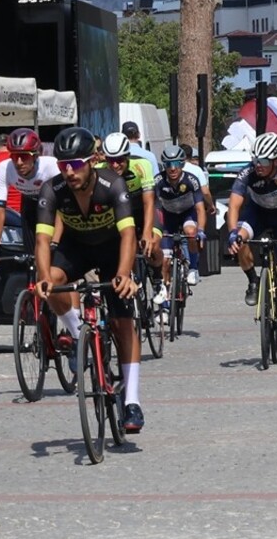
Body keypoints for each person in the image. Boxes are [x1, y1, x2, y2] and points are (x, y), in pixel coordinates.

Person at [34, 127, 145, 432]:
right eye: (62, 165)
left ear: (94, 161)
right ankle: (77, 332)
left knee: (123, 320)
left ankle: (132, 400)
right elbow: (43, 241)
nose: (69, 172)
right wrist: (43, 278)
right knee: (53, 282)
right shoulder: (52, 190)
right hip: (77, 248)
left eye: (76, 164)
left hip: (112, 250)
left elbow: (128, 235)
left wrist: (124, 274)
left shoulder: (113, 184)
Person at [225, 133, 277, 350]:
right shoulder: (248, 173)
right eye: (256, 159)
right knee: (239, 239)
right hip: (257, 214)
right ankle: (252, 280)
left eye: (264, 161)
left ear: (276, 161)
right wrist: (233, 232)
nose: (258, 165)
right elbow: (233, 206)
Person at [0, 128, 60, 269]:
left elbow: (64, 208)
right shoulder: (4, 168)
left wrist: (54, 242)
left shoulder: (51, 166)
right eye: (14, 156)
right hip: (29, 205)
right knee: (32, 261)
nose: (18, 162)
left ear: (35, 156)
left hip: (54, 207)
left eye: (24, 157)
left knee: (50, 256)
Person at [153, 143, 207, 296]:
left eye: (176, 164)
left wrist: (201, 231)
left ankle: (193, 268)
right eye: (168, 164)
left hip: (187, 213)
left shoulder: (191, 180)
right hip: (168, 216)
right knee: (164, 259)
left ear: (182, 164)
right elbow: (151, 206)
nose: (172, 168)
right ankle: (164, 288)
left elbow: (200, 209)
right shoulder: (158, 181)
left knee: (190, 232)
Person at [102, 131, 160, 267]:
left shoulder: (142, 165)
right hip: (122, 213)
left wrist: (146, 233)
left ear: (127, 156)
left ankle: (158, 278)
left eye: (119, 160)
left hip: (145, 209)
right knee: (125, 249)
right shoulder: (99, 170)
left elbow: (149, 202)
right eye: (110, 160)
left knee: (153, 246)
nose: (115, 165)